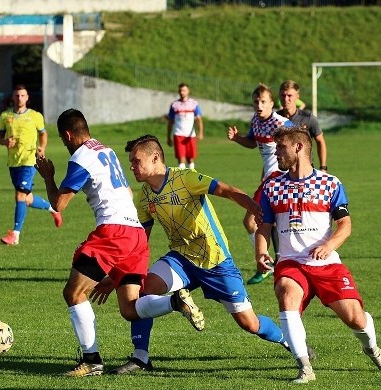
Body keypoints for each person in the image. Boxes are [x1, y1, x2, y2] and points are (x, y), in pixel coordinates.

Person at [98, 134, 296, 374]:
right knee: (142, 291)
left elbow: (227, 190)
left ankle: (288, 341)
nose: (132, 166)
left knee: (249, 323)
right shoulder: (145, 196)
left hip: (215, 261)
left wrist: (254, 208)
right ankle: (141, 358)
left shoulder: (185, 178)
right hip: (181, 259)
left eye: (136, 160)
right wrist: (119, 276)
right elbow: (140, 243)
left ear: (155, 157)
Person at [35, 109, 205, 377]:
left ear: (68, 135)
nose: (65, 144)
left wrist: (47, 175)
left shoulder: (81, 157)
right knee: (129, 308)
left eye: (62, 139)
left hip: (114, 232)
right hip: (135, 232)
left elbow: (58, 205)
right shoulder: (107, 150)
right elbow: (126, 190)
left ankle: (91, 360)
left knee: (74, 293)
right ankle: (174, 302)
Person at [255, 126, 381, 384]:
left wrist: (329, 246)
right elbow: (264, 226)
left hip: (326, 263)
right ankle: (305, 367)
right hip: (290, 262)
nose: (276, 153)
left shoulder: (329, 184)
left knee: (355, 318)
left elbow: (345, 225)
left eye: (281, 147)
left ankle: (371, 348)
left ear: (298, 147)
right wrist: (262, 251)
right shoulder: (272, 186)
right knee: (287, 295)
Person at [227, 83, 292, 285]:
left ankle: (265, 265)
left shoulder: (280, 122)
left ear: (272, 103)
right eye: (256, 101)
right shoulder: (256, 120)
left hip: (276, 179)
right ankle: (276, 262)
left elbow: (299, 141)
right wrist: (237, 138)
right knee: (271, 221)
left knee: (251, 222)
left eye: (263, 101)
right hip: (267, 179)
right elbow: (252, 142)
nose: (259, 105)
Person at [0, 84, 62, 245]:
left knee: (19, 195)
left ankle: (15, 235)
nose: (20, 98)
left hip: (29, 160)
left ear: (27, 98)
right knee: (27, 199)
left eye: (22, 95)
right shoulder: (5, 116)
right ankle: (53, 209)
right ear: (13, 97)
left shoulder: (35, 116)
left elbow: (43, 133)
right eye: (17, 95)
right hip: (13, 161)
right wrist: (5, 142)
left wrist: (42, 148)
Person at [277, 80, 328, 171]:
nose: (285, 99)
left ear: (297, 97)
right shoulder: (275, 119)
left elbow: (320, 141)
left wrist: (323, 167)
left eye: (289, 96)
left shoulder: (308, 118)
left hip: (304, 169)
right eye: (283, 95)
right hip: (281, 170)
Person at [166, 83, 204, 169]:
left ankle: (192, 177)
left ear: (188, 91)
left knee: (190, 158)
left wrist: (201, 132)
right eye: (180, 90)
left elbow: (199, 119)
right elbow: (170, 122)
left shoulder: (194, 104)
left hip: (190, 135)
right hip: (178, 134)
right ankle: (182, 178)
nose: (182, 92)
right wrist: (168, 136)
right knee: (181, 157)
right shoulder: (174, 105)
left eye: (184, 90)